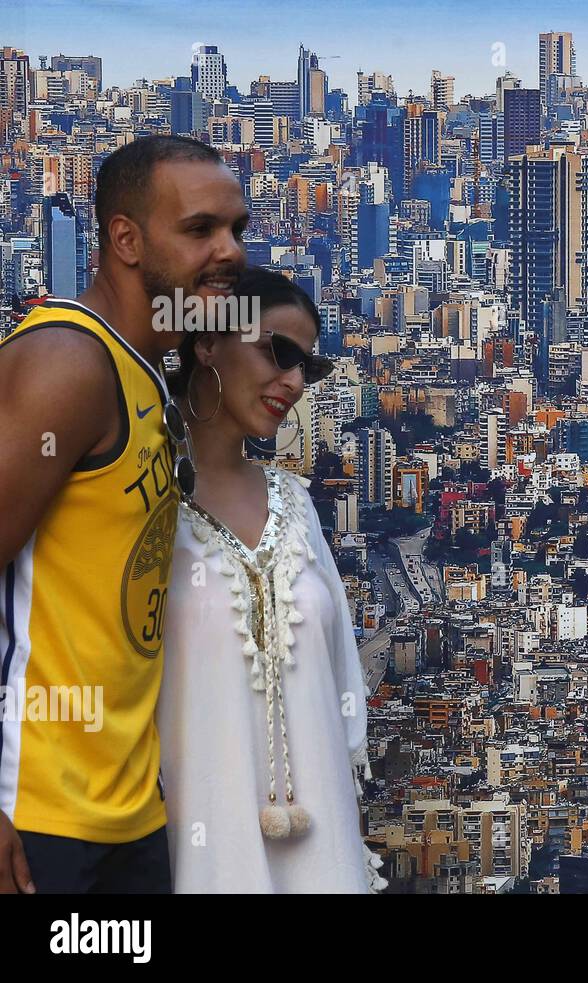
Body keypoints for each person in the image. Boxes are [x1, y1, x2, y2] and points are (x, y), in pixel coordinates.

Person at [0, 135, 247, 893]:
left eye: (237, 228)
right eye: (200, 229)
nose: (230, 249)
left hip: (131, 819)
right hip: (38, 818)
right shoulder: (67, 364)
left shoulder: (148, 369)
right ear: (126, 240)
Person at [158, 267, 384, 893]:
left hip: (324, 852)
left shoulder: (298, 505)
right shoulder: (141, 500)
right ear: (206, 344)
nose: (290, 381)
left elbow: (342, 683)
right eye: (276, 352)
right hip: (196, 853)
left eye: (305, 369)